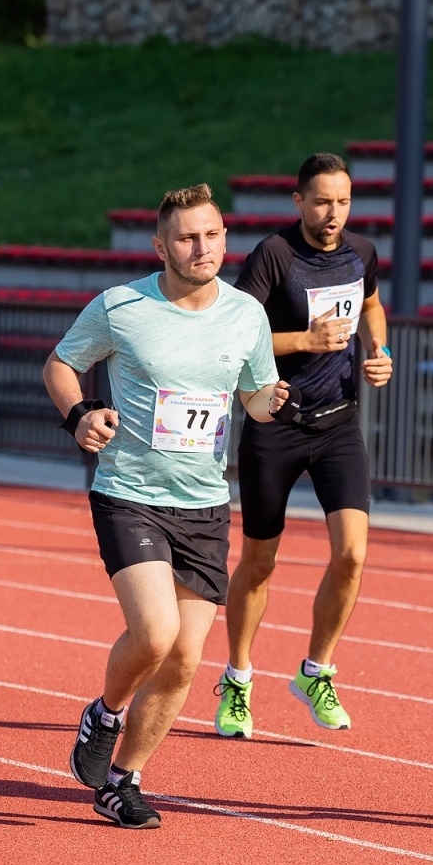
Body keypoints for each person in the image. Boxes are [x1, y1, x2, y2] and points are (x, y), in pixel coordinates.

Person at [48, 183, 288, 829]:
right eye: (186, 238)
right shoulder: (121, 306)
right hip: (130, 492)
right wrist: (80, 414)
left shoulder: (246, 315)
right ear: (161, 247)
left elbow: (254, 395)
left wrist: (270, 403)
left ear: (224, 238)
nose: (201, 247)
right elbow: (61, 365)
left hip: (205, 504)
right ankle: (105, 713)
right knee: (154, 634)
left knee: (183, 659)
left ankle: (123, 780)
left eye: (211, 235)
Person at [215, 152, 393, 739]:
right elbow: (236, 332)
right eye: (322, 202)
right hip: (276, 422)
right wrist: (305, 341)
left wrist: (378, 350)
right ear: (299, 202)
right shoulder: (275, 255)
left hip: (338, 423)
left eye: (343, 201)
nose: (333, 212)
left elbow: (372, 304)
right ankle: (238, 679)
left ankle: (316, 671)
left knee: (353, 554)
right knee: (259, 562)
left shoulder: (362, 252)